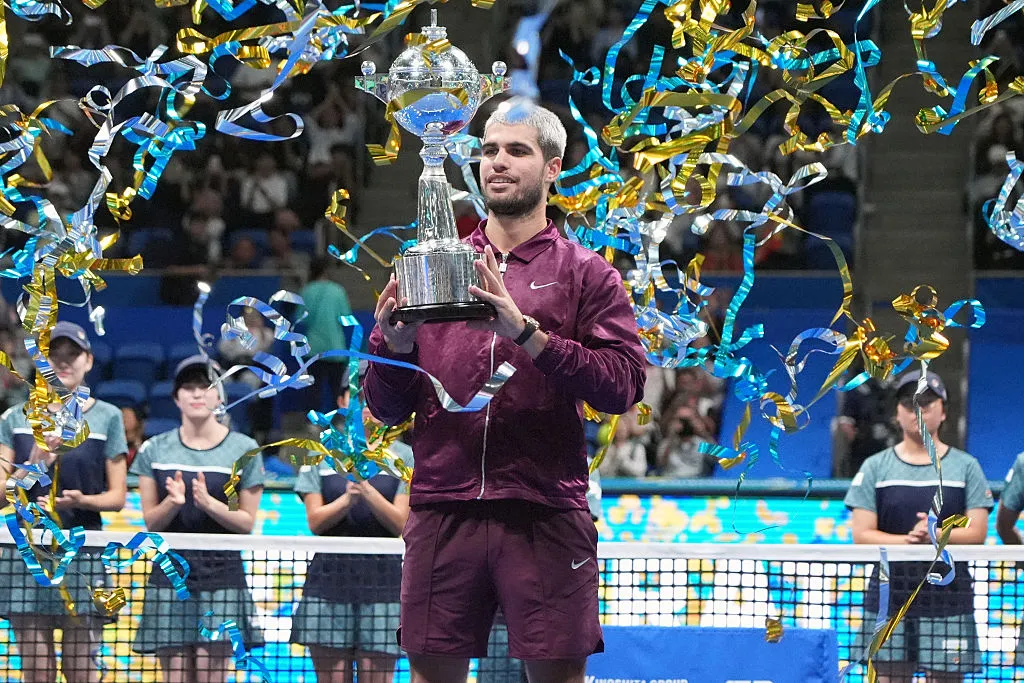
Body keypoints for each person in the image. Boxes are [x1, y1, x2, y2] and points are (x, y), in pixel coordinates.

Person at [364, 103, 646, 683]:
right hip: (444, 506)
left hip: (543, 508)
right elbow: (385, 407)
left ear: (553, 169)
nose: (498, 162)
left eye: (517, 151)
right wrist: (392, 346)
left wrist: (526, 334)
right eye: (489, 150)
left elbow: (623, 385)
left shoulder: (587, 273)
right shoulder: (431, 267)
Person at [0, 321, 128, 683]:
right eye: (54, 356)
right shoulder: (14, 419)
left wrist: (84, 500)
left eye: (73, 355)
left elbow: (118, 497)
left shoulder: (108, 417)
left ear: (88, 360)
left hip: (83, 554)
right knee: (37, 675)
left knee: (81, 673)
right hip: (27, 556)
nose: (64, 363)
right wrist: (35, 463)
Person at [844, 370, 992, 683]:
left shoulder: (966, 467)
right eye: (909, 404)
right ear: (897, 413)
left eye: (926, 402)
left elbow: (978, 533)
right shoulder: (875, 467)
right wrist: (913, 541)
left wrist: (936, 536)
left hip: (949, 601)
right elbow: (862, 535)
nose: (918, 410)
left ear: (943, 411)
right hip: (889, 598)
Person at [130, 356, 265, 682]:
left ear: (220, 396)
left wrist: (209, 504)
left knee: (211, 676)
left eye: (206, 386)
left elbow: (246, 522)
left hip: (222, 578)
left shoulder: (244, 450)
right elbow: (151, 522)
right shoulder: (154, 450)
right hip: (169, 579)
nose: (197, 394)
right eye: (188, 387)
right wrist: (173, 504)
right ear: (176, 397)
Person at [289, 389, 412, 682]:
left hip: (384, 586)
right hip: (328, 584)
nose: (366, 406)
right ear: (342, 402)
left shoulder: (405, 456)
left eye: (374, 396)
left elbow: (401, 525)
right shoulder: (320, 452)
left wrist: (366, 489)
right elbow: (315, 522)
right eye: (358, 397)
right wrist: (347, 499)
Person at [300, 258, 353, 414]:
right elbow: (345, 317)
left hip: (313, 349)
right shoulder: (338, 290)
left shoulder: (306, 291)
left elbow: (302, 318)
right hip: (335, 347)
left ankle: (313, 422)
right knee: (338, 387)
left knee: (312, 388)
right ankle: (339, 419)